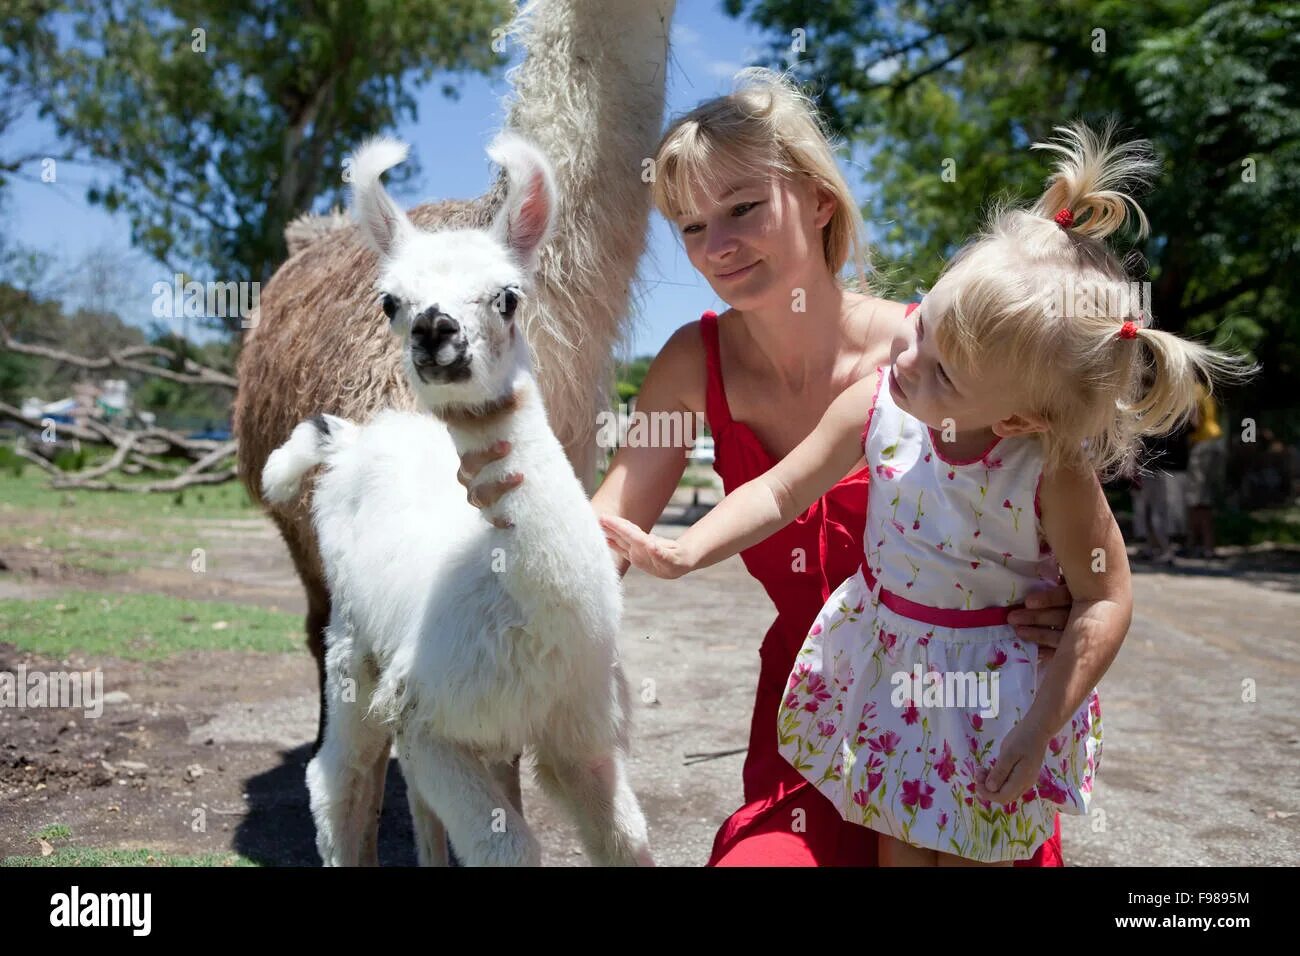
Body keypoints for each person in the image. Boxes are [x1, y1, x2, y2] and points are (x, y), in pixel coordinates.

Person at [457, 69, 1075, 866]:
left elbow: (1058, 496)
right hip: (812, 720)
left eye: (743, 207)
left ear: (820, 199)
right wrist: (517, 528)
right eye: (689, 226)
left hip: (957, 725)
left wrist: (1066, 591)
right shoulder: (691, 360)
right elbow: (613, 525)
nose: (717, 247)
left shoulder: (944, 355)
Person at [601, 123, 1249, 865]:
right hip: (864, 704)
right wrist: (674, 548)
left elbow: (1103, 589)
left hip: (993, 719)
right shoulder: (887, 386)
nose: (907, 356)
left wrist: (1053, 673)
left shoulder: (1010, 413)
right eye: (690, 223)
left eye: (744, 206)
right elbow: (773, 493)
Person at [1186, 380, 1227, 557]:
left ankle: (1204, 545)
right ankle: (1197, 543)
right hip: (1215, 441)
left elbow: (1194, 420)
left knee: (1199, 499)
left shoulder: (1191, 390)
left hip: (1202, 443)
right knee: (1203, 496)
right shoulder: (1202, 389)